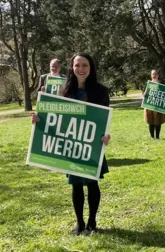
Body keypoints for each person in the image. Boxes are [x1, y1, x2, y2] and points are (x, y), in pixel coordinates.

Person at [31, 53, 111, 236]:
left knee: (92, 183)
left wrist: (106, 136)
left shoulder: (101, 91)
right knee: (75, 185)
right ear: (72, 68)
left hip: (91, 145)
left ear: (91, 68)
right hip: (71, 145)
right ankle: (79, 223)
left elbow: (104, 120)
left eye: (85, 65)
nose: (81, 69)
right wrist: (38, 119)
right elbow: (53, 118)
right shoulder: (63, 90)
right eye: (77, 65)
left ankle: (92, 222)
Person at [144, 69, 165, 140]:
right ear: (151, 75)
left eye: (155, 74)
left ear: (158, 75)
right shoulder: (149, 84)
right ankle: (152, 137)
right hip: (150, 106)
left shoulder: (161, 85)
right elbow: (145, 93)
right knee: (151, 121)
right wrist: (144, 94)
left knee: (158, 121)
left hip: (158, 106)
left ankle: (157, 137)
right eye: (153, 74)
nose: (154, 75)